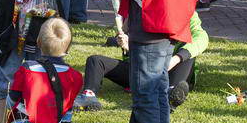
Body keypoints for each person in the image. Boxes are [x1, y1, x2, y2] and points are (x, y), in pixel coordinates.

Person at [74, 11, 209, 112]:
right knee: (95, 61)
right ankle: (89, 95)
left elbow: (201, 38)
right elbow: (138, 49)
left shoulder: (187, 11)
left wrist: (176, 59)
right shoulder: (143, 11)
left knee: (188, 55)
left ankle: (171, 94)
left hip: (172, 71)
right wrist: (128, 45)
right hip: (143, 70)